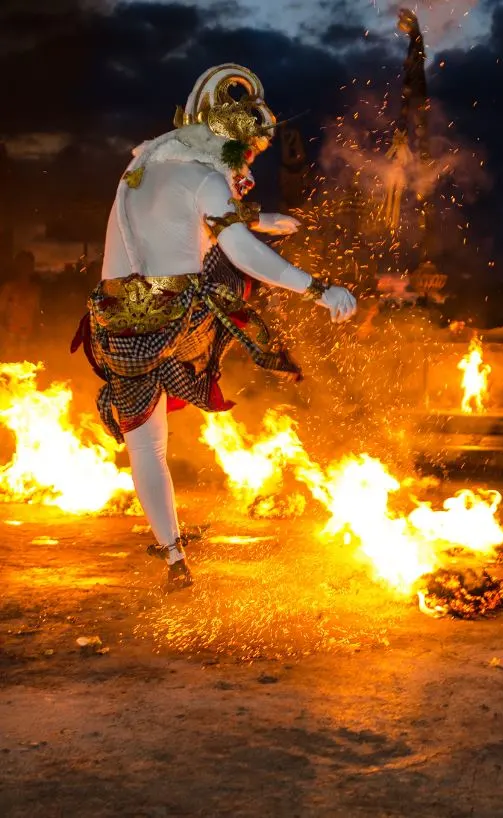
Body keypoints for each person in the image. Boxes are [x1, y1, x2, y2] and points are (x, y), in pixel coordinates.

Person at [72, 63, 357, 591]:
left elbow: (180, 215)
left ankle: (173, 555)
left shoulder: (141, 170)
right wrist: (317, 288)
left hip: (115, 325)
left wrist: (258, 217)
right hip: (178, 319)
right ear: (230, 143)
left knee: (146, 445)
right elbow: (239, 251)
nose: (250, 161)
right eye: (249, 152)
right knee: (227, 272)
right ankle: (268, 353)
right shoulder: (207, 178)